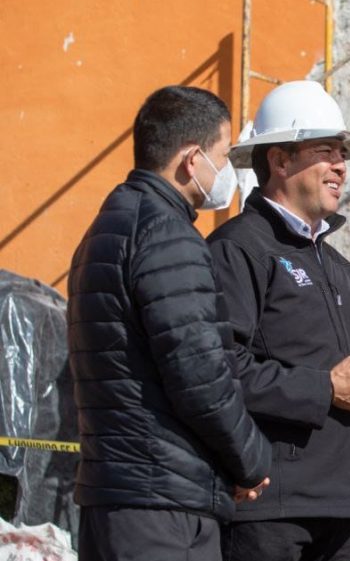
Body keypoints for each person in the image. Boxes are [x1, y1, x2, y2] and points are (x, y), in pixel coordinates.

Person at [208, 80, 350, 561]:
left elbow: (344, 376)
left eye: (343, 154)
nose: (341, 166)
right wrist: (326, 389)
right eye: (327, 151)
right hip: (268, 509)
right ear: (279, 160)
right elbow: (219, 372)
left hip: (341, 504)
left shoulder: (339, 268)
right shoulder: (237, 249)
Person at [67, 86, 271, 560]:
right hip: (163, 504)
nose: (226, 175)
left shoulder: (106, 228)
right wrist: (250, 460)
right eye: (222, 156)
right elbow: (200, 373)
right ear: (192, 159)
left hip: (115, 494)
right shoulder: (169, 237)